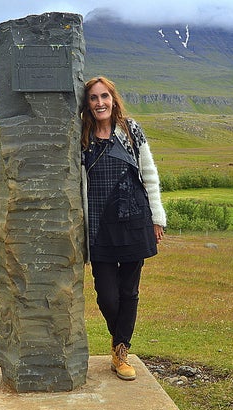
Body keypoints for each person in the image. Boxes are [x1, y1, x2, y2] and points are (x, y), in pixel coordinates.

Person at [80, 76, 166, 381]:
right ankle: (119, 340)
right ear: (87, 103)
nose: (100, 102)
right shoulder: (82, 135)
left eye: (105, 96)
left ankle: (120, 352)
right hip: (99, 226)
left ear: (113, 99)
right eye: (93, 98)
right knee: (107, 295)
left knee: (129, 291)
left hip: (133, 218)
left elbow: (149, 174)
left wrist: (157, 218)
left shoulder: (131, 130)